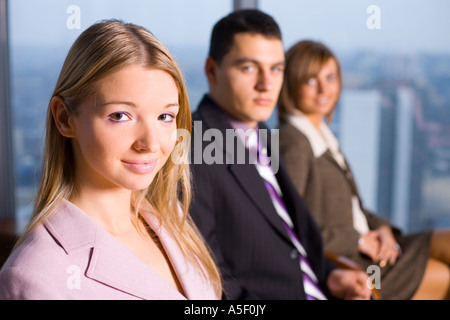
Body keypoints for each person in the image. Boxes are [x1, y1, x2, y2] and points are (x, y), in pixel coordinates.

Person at [0, 19, 221, 300]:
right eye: (120, 116)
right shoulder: (36, 277)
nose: (151, 143)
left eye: (165, 117)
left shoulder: (171, 219)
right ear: (65, 118)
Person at [188, 9, 371, 300]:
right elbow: (206, 277)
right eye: (249, 68)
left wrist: (330, 275)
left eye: (276, 69)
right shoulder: (194, 147)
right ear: (212, 70)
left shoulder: (261, 134)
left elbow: (289, 239)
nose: (266, 84)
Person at [278, 39, 450, 300]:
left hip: (372, 248)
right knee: (443, 277)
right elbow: (289, 225)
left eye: (331, 77)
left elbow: (355, 206)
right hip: (349, 261)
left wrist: (384, 230)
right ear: (291, 85)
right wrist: (357, 241)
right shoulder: (294, 141)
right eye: (311, 80)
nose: (324, 88)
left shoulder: (322, 135)